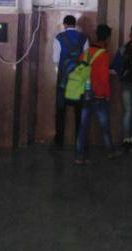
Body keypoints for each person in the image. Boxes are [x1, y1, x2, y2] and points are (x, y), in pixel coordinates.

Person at [74, 25, 122, 164]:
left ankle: (79, 156)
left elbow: (80, 69)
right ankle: (110, 151)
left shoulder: (87, 52)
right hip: (99, 95)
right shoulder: (104, 55)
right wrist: (106, 94)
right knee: (105, 126)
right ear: (107, 38)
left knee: (83, 127)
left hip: (85, 93)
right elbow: (103, 78)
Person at [52, 15, 89, 150]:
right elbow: (86, 59)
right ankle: (79, 141)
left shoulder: (59, 38)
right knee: (79, 110)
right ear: (75, 24)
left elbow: (55, 59)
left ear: (65, 24)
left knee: (61, 111)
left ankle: (59, 141)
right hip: (79, 80)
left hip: (63, 80)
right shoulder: (84, 38)